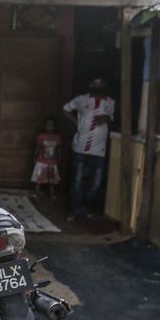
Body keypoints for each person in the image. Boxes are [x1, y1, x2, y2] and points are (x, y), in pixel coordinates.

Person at [62, 78, 115, 219]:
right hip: (81, 144)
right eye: (95, 84)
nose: (97, 87)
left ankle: (84, 206)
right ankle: (76, 209)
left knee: (96, 183)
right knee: (77, 180)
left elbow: (111, 119)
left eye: (100, 84)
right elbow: (66, 109)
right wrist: (76, 123)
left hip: (99, 149)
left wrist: (105, 118)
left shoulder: (110, 102)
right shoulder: (81, 99)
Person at [31, 117, 62, 200]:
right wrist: (35, 157)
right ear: (45, 126)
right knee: (39, 176)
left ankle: (52, 193)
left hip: (52, 161)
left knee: (52, 177)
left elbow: (58, 149)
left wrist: (59, 158)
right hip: (41, 160)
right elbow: (38, 147)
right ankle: (37, 191)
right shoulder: (42, 136)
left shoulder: (57, 137)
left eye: (52, 126)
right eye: (48, 125)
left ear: (55, 127)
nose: (50, 127)